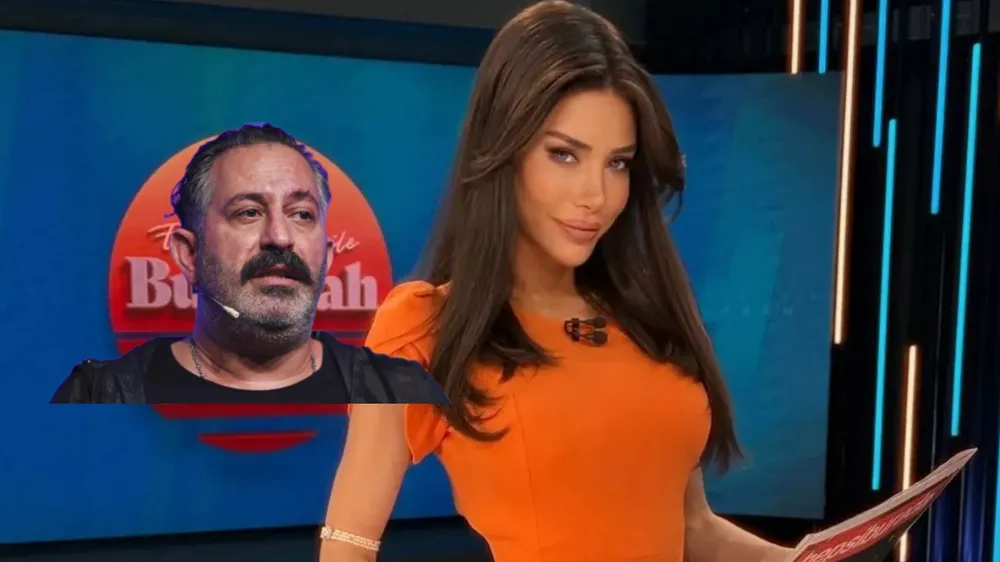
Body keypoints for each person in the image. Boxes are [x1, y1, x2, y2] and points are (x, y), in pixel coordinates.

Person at [320, 2, 795, 561]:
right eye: (564, 155)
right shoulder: (423, 328)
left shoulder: (649, 314)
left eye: (618, 163)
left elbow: (694, 529)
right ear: (503, 150)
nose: (596, 195)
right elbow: (347, 545)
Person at [51, 124, 446, 405]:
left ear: (327, 256)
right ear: (189, 255)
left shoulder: (402, 394)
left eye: (302, 214)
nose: (280, 237)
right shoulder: (101, 394)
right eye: (248, 212)